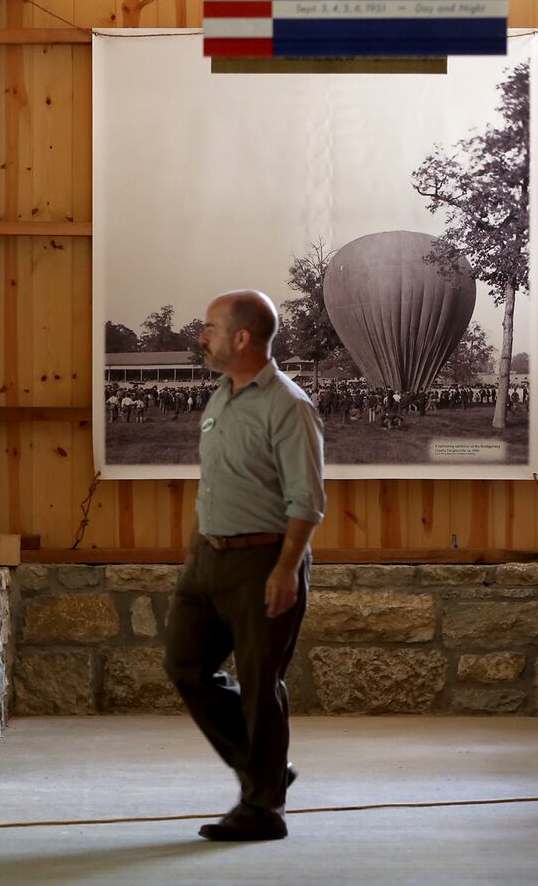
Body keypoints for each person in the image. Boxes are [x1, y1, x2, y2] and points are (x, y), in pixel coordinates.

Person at [163, 289, 325, 843]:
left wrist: (285, 571)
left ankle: (262, 809)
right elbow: (212, 483)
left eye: (209, 328)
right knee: (185, 665)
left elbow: (306, 501)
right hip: (208, 561)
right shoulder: (220, 398)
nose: (200, 337)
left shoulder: (288, 405)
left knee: (261, 683)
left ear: (241, 337)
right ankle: (267, 771)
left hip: (263, 560)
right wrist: (193, 551)